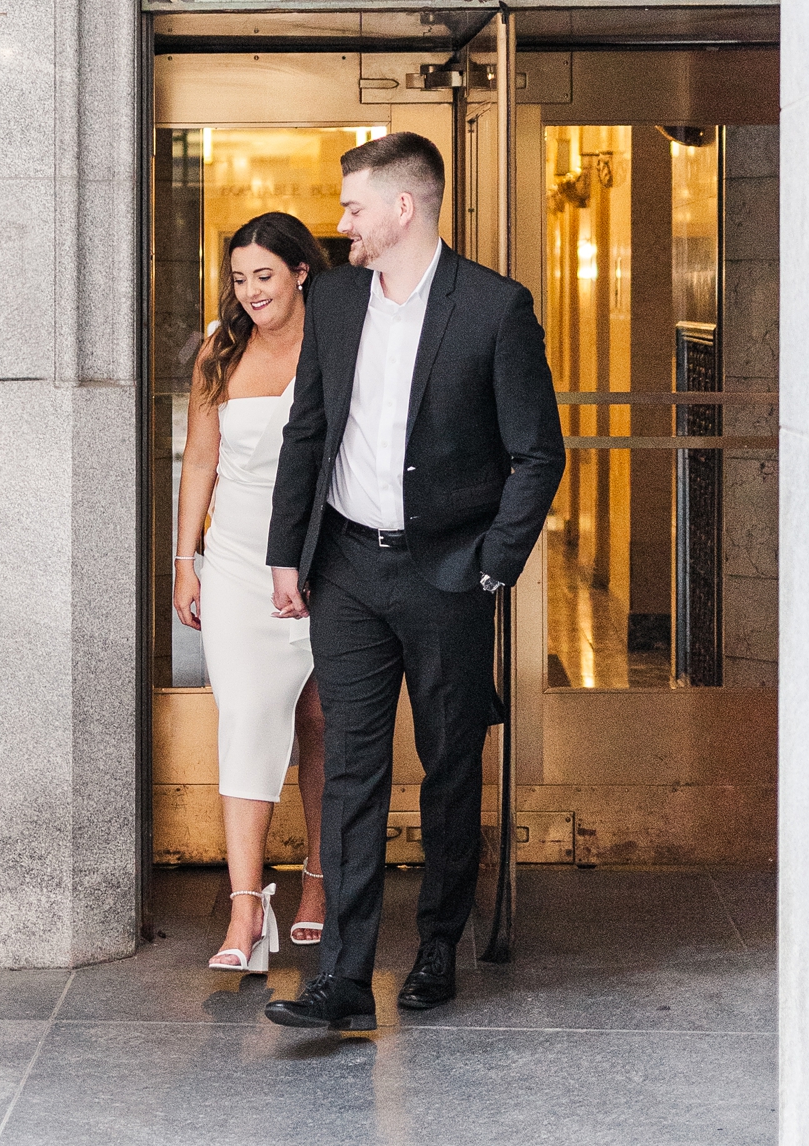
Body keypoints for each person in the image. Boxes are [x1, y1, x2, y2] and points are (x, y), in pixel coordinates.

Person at [262, 131, 565, 1032]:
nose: (342, 222)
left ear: (404, 209)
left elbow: (537, 454)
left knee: (446, 767)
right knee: (351, 767)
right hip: (347, 569)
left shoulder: (494, 309)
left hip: (447, 575)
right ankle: (344, 977)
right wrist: (289, 550)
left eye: (354, 206)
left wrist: (489, 569)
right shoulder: (339, 296)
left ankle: (437, 944)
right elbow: (306, 432)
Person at [174, 213, 332, 972]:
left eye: (264, 275)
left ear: (301, 272)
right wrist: (185, 561)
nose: (251, 292)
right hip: (236, 560)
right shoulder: (220, 347)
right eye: (240, 279)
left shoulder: (336, 344)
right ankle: (245, 912)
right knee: (244, 716)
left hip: (322, 556)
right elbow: (200, 459)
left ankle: (319, 882)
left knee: (322, 718)